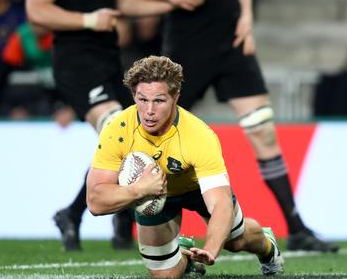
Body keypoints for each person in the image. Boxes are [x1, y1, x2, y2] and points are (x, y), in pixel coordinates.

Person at [118, 0, 337, 252]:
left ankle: (297, 228)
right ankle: (116, 218)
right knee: (147, 130)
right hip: (187, 50)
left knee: (262, 130)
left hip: (232, 44)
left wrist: (247, 17)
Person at [26, 0, 168, 251]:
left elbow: (123, 3)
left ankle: (74, 215)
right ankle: (117, 218)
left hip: (109, 62)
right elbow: (37, 10)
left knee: (126, 135)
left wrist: (171, 1)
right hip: (76, 64)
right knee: (116, 127)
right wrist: (89, 19)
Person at [87, 55, 284, 277]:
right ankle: (187, 259)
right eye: (142, 99)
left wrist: (210, 249)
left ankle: (267, 246)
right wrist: (140, 190)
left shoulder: (199, 136)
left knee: (235, 242)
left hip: (196, 189)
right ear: (134, 95)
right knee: (165, 276)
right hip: (151, 193)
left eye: (159, 100)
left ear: (176, 97)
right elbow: (95, 202)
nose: (149, 110)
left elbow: (220, 204)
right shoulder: (117, 129)